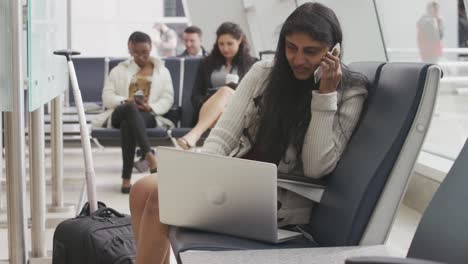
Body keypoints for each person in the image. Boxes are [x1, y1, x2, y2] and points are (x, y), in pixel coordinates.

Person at [129, 3, 368, 263]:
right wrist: (197, 177)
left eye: (311, 51)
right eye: (291, 48)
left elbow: (315, 168)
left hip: (276, 202)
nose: (298, 60)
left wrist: (325, 95)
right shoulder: (264, 73)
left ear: (334, 51)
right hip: (234, 183)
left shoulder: (350, 93)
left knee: (160, 200)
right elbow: (223, 136)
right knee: (141, 189)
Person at [92, 31, 174, 194]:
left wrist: (150, 107)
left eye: (144, 52)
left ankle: (126, 179)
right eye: (135, 52)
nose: (140, 57)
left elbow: (167, 98)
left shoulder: (162, 71)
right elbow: (107, 97)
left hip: (148, 115)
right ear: (129, 50)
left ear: (151, 48)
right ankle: (150, 156)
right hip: (119, 111)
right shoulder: (119, 70)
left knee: (128, 124)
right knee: (129, 109)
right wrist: (125, 100)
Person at [175, 22, 257, 150]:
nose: (225, 48)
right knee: (224, 93)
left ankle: (193, 135)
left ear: (239, 40)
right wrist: (211, 102)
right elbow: (195, 95)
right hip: (207, 109)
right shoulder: (207, 63)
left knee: (226, 92)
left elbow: (254, 95)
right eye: (221, 44)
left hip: (238, 110)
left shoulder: (252, 64)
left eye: (229, 44)